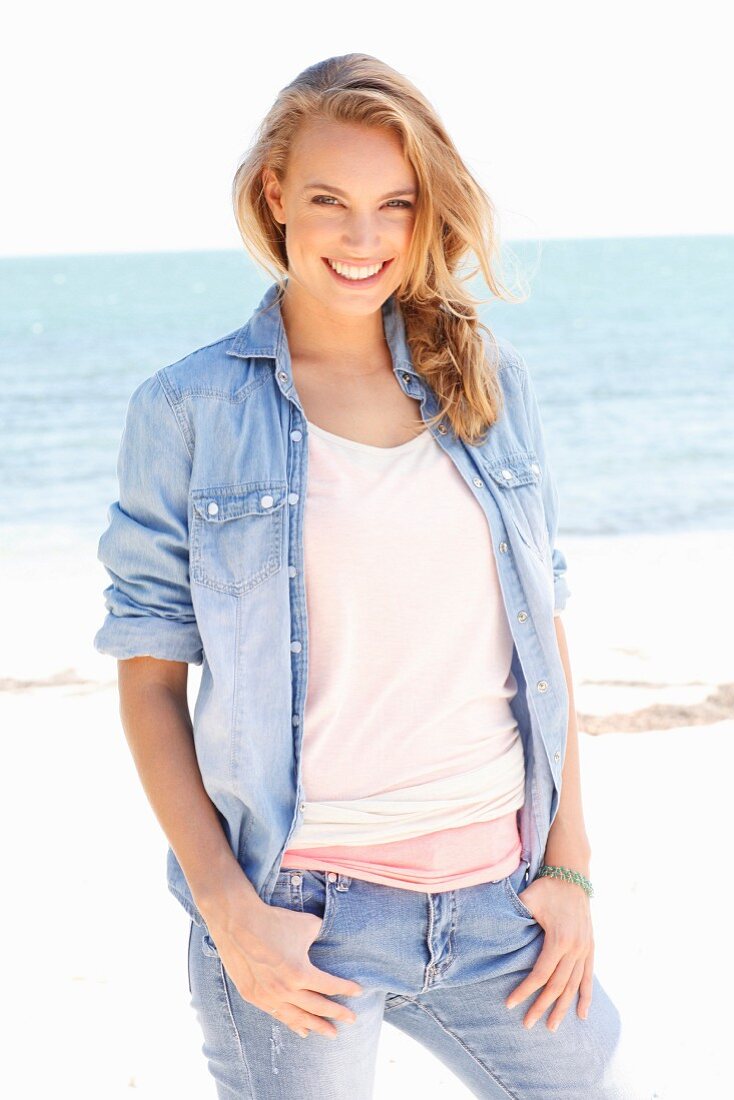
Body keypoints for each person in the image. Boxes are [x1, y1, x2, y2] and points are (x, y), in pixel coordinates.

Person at [94, 53, 647, 1100]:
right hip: (301, 916)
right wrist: (228, 910)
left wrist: (568, 865)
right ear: (274, 196)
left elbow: (542, 625)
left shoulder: (483, 378)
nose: (363, 239)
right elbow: (149, 680)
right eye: (329, 202)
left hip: (500, 907)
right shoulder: (189, 408)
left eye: (393, 205)